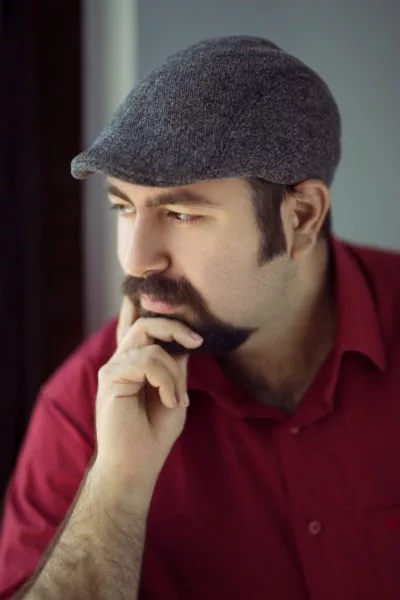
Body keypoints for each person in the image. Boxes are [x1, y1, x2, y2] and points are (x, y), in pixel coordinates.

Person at [0, 35, 399, 600]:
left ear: (302, 217)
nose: (137, 259)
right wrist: (116, 484)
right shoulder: (84, 405)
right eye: (123, 207)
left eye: (181, 213)